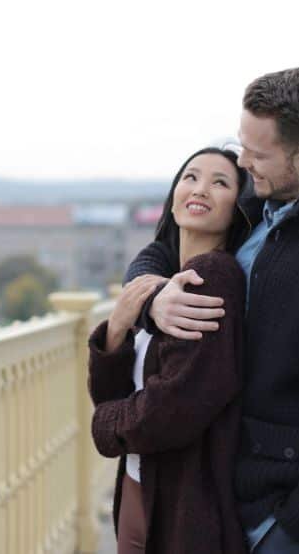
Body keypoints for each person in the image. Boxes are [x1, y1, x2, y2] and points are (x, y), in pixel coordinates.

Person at [126, 67, 299, 553]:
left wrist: (296, 525)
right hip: (237, 506)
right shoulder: (258, 208)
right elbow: (165, 245)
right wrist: (152, 295)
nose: (243, 162)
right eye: (242, 144)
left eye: (257, 154)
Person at [88, 147, 252, 554]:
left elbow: (175, 407)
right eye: (191, 177)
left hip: (185, 506)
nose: (201, 189)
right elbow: (110, 394)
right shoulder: (160, 281)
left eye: (220, 182)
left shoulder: (213, 275)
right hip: (138, 488)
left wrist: (102, 426)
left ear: (238, 206)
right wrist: (117, 329)